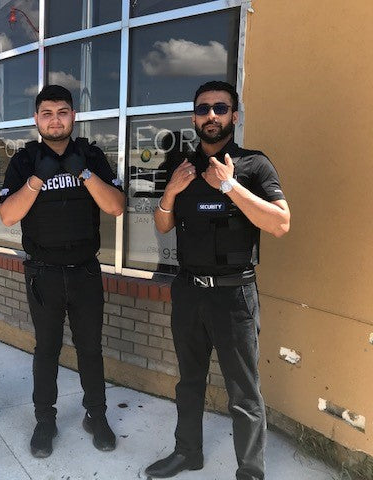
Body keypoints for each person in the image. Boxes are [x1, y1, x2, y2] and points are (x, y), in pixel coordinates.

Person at [145, 81, 291, 480]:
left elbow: (280, 223)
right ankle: (187, 453)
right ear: (194, 117)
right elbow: (163, 226)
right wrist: (170, 194)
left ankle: (250, 471)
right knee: (188, 382)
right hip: (190, 293)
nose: (212, 115)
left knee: (243, 392)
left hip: (234, 296)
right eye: (204, 108)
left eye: (221, 108)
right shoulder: (182, 167)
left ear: (234, 116)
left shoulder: (255, 164)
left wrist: (229, 185)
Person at [0, 85, 125, 458]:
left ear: (74, 116)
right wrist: (37, 179)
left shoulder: (90, 156)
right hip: (43, 273)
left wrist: (83, 172)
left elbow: (116, 206)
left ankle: (96, 416)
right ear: (37, 119)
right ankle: (45, 421)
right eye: (47, 113)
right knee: (47, 351)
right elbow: (7, 216)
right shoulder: (23, 161)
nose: (56, 120)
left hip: (85, 271)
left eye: (63, 112)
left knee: (90, 349)